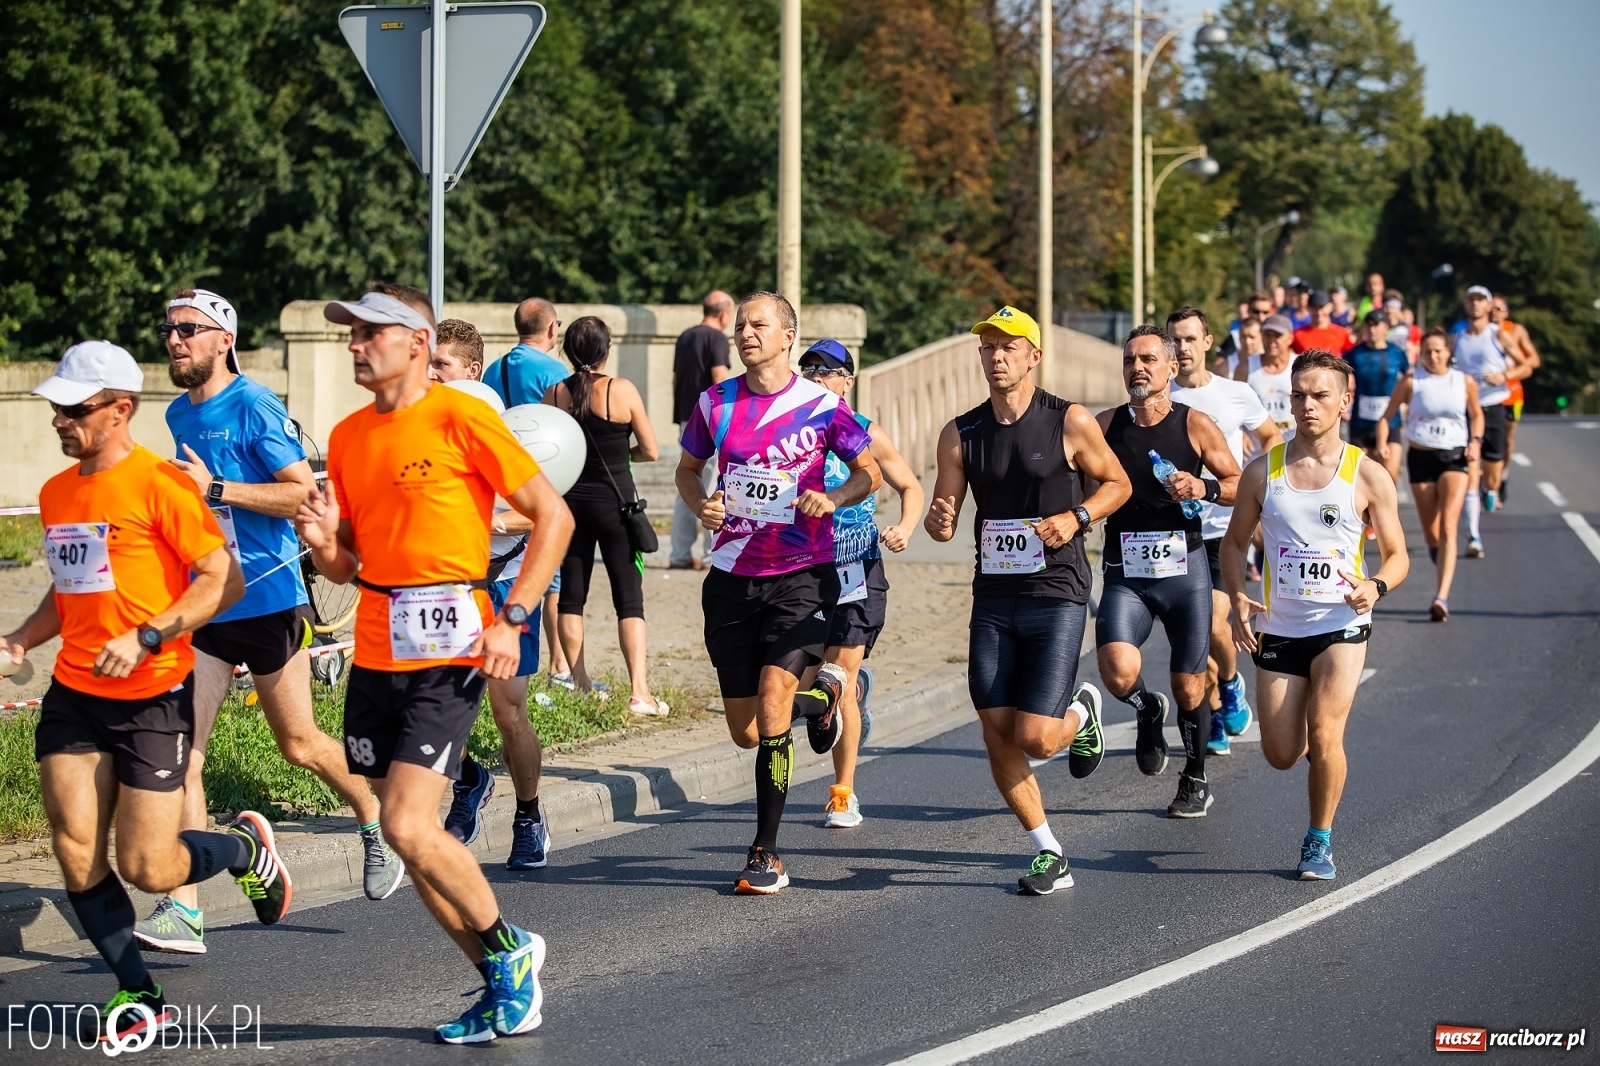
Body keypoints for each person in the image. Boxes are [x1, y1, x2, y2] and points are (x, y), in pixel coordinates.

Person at [297, 284, 574, 1043]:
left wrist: (515, 617)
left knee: (411, 825)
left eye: (368, 334)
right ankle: (498, 977)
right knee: (404, 835)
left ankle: (510, 950)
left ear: (416, 342)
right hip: (377, 653)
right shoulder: (348, 436)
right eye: (349, 335)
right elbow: (352, 564)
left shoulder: (462, 416)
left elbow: (555, 515)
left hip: (453, 645)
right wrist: (324, 540)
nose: (355, 345)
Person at [6, 342, 290, 1042]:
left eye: (76, 409)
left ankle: (244, 852)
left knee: (150, 867)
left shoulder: (162, 483)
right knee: (75, 849)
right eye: (57, 408)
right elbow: (69, 587)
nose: (61, 421)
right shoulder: (57, 493)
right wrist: (20, 639)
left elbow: (223, 579)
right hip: (75, 691)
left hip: (153, 695)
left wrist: (151, 636)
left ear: (120, 410)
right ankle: (141, 995)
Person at [133, 289, 400, 958]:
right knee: (181, 757)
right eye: (169, 329)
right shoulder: (175, 411)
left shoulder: (252, 406)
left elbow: (301, 493)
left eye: (189, 329)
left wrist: (215, 490)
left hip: (269, 600)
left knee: (301, 744)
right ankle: (183, 909)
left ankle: (372, 817)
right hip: (207, 603)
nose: (175, 340)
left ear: (224, 339)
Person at [675, 292, 880, 894]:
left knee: (770, 705)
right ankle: (824, 703)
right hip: (732, 578)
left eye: (758, 325)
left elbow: (868, 472)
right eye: (740, 325)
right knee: (746, 730)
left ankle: (765, 851)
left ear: (789, 336)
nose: (745, 333)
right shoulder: (715, 403)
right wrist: (701, 504)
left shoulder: (821, 405)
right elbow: (689, 470)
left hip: (800, 575)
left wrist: (836, 498)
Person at [925, 306, 1130, 895]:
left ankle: (1081, 713)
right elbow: (945, 521)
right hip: (993, 594)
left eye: (1009, 347)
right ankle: (1049, 850)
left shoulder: (1069, 421)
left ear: (1034, 356)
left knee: (1037, 737)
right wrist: (940, 521)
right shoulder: (960, 433)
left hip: (1057, 592)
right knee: (996, 729)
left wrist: (1077, 516)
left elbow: (1118, 484)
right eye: (988, 347)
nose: (997, 357)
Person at [1222, 351, 1408, 881]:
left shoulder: (1367, 475)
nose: (1307, 405)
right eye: (1299, 395)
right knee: (1282, 753)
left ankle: (1318, 839)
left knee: (1326, 735)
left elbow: (1398, 556)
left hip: (1340, 625)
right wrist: (1237, 596)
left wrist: (1375, 586)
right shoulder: (1264, 471)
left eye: (1320, 395)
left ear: (1344, 401)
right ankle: (1313, 758)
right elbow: (1234, 546)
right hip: (1280, 627)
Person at [1095, 326, 1242, 818]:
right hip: (1126, 570)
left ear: (1171, 369)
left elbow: (1239, 483)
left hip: (1185, 570)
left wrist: (1204, 489)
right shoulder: (1104, 426)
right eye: (1130, 359)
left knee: (1189, 684)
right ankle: (1146, 710)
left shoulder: (1194, 424)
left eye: (1149, 359)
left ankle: (1195, 777)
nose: (1138, 367)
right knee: (1117, 672)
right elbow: (1069, 475)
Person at [427, 320, 553, 871]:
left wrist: (486, 520)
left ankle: (529, 814)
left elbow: (542, 513)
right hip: (443, 584)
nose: (430, 375)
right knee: (425, 711)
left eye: (441, 366)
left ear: (472, 371)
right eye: (426, 365)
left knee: (507, 710)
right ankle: (472, 780)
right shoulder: (425, 428)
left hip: (504, 583)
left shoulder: (509, 432)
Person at [790, 339, 925, 828]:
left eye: (826, 372)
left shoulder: (866, 432)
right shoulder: (791, 433)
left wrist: (905, 528)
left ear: (849, 380)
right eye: (807, 370)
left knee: (836, 683)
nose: (815, 378)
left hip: (856, 570)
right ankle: (853, 692)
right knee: (805, 691)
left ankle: (843, 793)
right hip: (801, 574)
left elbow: (910, 486)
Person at [1169, 307, 1282, 758]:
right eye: (1175, 340)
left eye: (1190, 339)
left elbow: (1271, 436)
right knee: (1191, 634)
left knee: (1216, 621)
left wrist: (1257, 480)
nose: (1183, 348)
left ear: (1208, 341)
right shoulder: (1162, 396)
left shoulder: (1235, 393)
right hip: (1171, 536)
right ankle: (1214, 709)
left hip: (1220, 529)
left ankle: (1231, 683)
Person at [543, 315, 668, 715]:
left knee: (571, 598)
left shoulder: (554, 394)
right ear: (605, 350)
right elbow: (650, 449)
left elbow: (550, 450)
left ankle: (578, 680)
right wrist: (620, 457)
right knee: (629, 599)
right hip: (617, 506)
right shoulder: (621, 390)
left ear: (567, 350)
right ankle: (639, 691)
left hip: (571, 507)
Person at [484, 298, 571, 686]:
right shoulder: (554, 370)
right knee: (546, 577)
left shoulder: (492, 368)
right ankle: (558, 666)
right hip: (541, 477)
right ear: (552, 329)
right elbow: (567, 432)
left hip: (499, 483)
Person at [1375, 329, 1483, 621]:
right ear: (1420, 354)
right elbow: (1387, 417)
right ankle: (1438, 552)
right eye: (1428, 352)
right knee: (1432, 533)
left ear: (1448, 352)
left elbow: (1476, 414)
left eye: (1438, 351)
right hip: (1421, 457)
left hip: (1454, 457)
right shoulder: (1411, 382)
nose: (1433, 357)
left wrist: (1476, 441)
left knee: (1449, 525)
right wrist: (1383, 442)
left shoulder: (1464, 381)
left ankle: (1441, 597)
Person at [1453, 285, 1527, 556]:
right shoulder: (1457, 338)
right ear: (1466, 304)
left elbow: (1527, 364)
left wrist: (1505, 376)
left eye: (1480, 300)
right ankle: (1474, 534)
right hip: (1467, 409)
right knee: (1471, 463)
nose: (1475, 305)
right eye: (1471, 299)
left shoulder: (1499, 335)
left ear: (1488, 306)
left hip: (1494, 405)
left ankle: (1491, 487)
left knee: (1492, 468)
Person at [670, 291, 735, 570]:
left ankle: (680, 554)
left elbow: (675, 380)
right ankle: (712, 555)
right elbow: (719, 379)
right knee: (712, 488)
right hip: (711, 422)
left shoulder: (685, 336)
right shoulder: (717, 338)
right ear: (723, 314)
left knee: (687, 484)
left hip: (687, 419)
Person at [1343, 310, 1410, 483]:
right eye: (1369, 324)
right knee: (1362, 479)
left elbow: (1410, 378)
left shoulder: (1396, 353)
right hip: (1361, 423)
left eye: (1377, 325)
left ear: (1386, 327)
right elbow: (1340, 379)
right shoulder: (1354, 354)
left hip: (1390, 421)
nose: (1372, 329)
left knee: (1389, 477)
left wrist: (1409, 403)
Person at [1490, 294, 1540, 501]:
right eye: (1492, 308)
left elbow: (1533, 361)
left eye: (1500, 308)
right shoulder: (1478, 331)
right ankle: (1485, 483)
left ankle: (1502, 477)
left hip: (1511, 394)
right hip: (1487, 395)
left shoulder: (1515, 331)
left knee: (1507, 441)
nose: (1495, 312)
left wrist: (1512, 368)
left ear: (1506, 312)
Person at [1236, 314, 1297, 441]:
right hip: (1257, 447)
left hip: (1293, 443)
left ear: (1290, 338)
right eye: (1267, 335)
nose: (1271, 341)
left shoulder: (1300, 365)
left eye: (1277, 336)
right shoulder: (1245, 367)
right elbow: (1234, 406)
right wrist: (1239, 433)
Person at [1215, 291, 1275, 367]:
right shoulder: (1235, 337)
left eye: (1265, 312)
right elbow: (1219, 364)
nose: (1261, 317)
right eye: (1256, 312)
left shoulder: (1276, 339)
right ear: (1248, 311)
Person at [1291, 291, 1355, 356]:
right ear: (1308, 308)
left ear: (1330, 307)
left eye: (1321, 307)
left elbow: (1351, 356)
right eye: (1314, 308)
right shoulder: (1297, 335)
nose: (1318, 312)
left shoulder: (1342, 333)